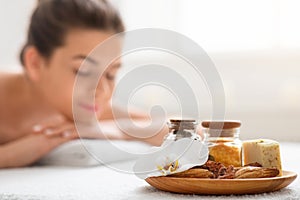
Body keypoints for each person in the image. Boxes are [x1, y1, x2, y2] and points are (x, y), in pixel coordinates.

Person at [0, 0, 168, 168]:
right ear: (35, 63)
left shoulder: (86, 108)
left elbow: (186, 130)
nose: (101, 90)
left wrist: (115, 129)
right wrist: (30, 147)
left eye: (111, 75)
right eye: (84, 71)